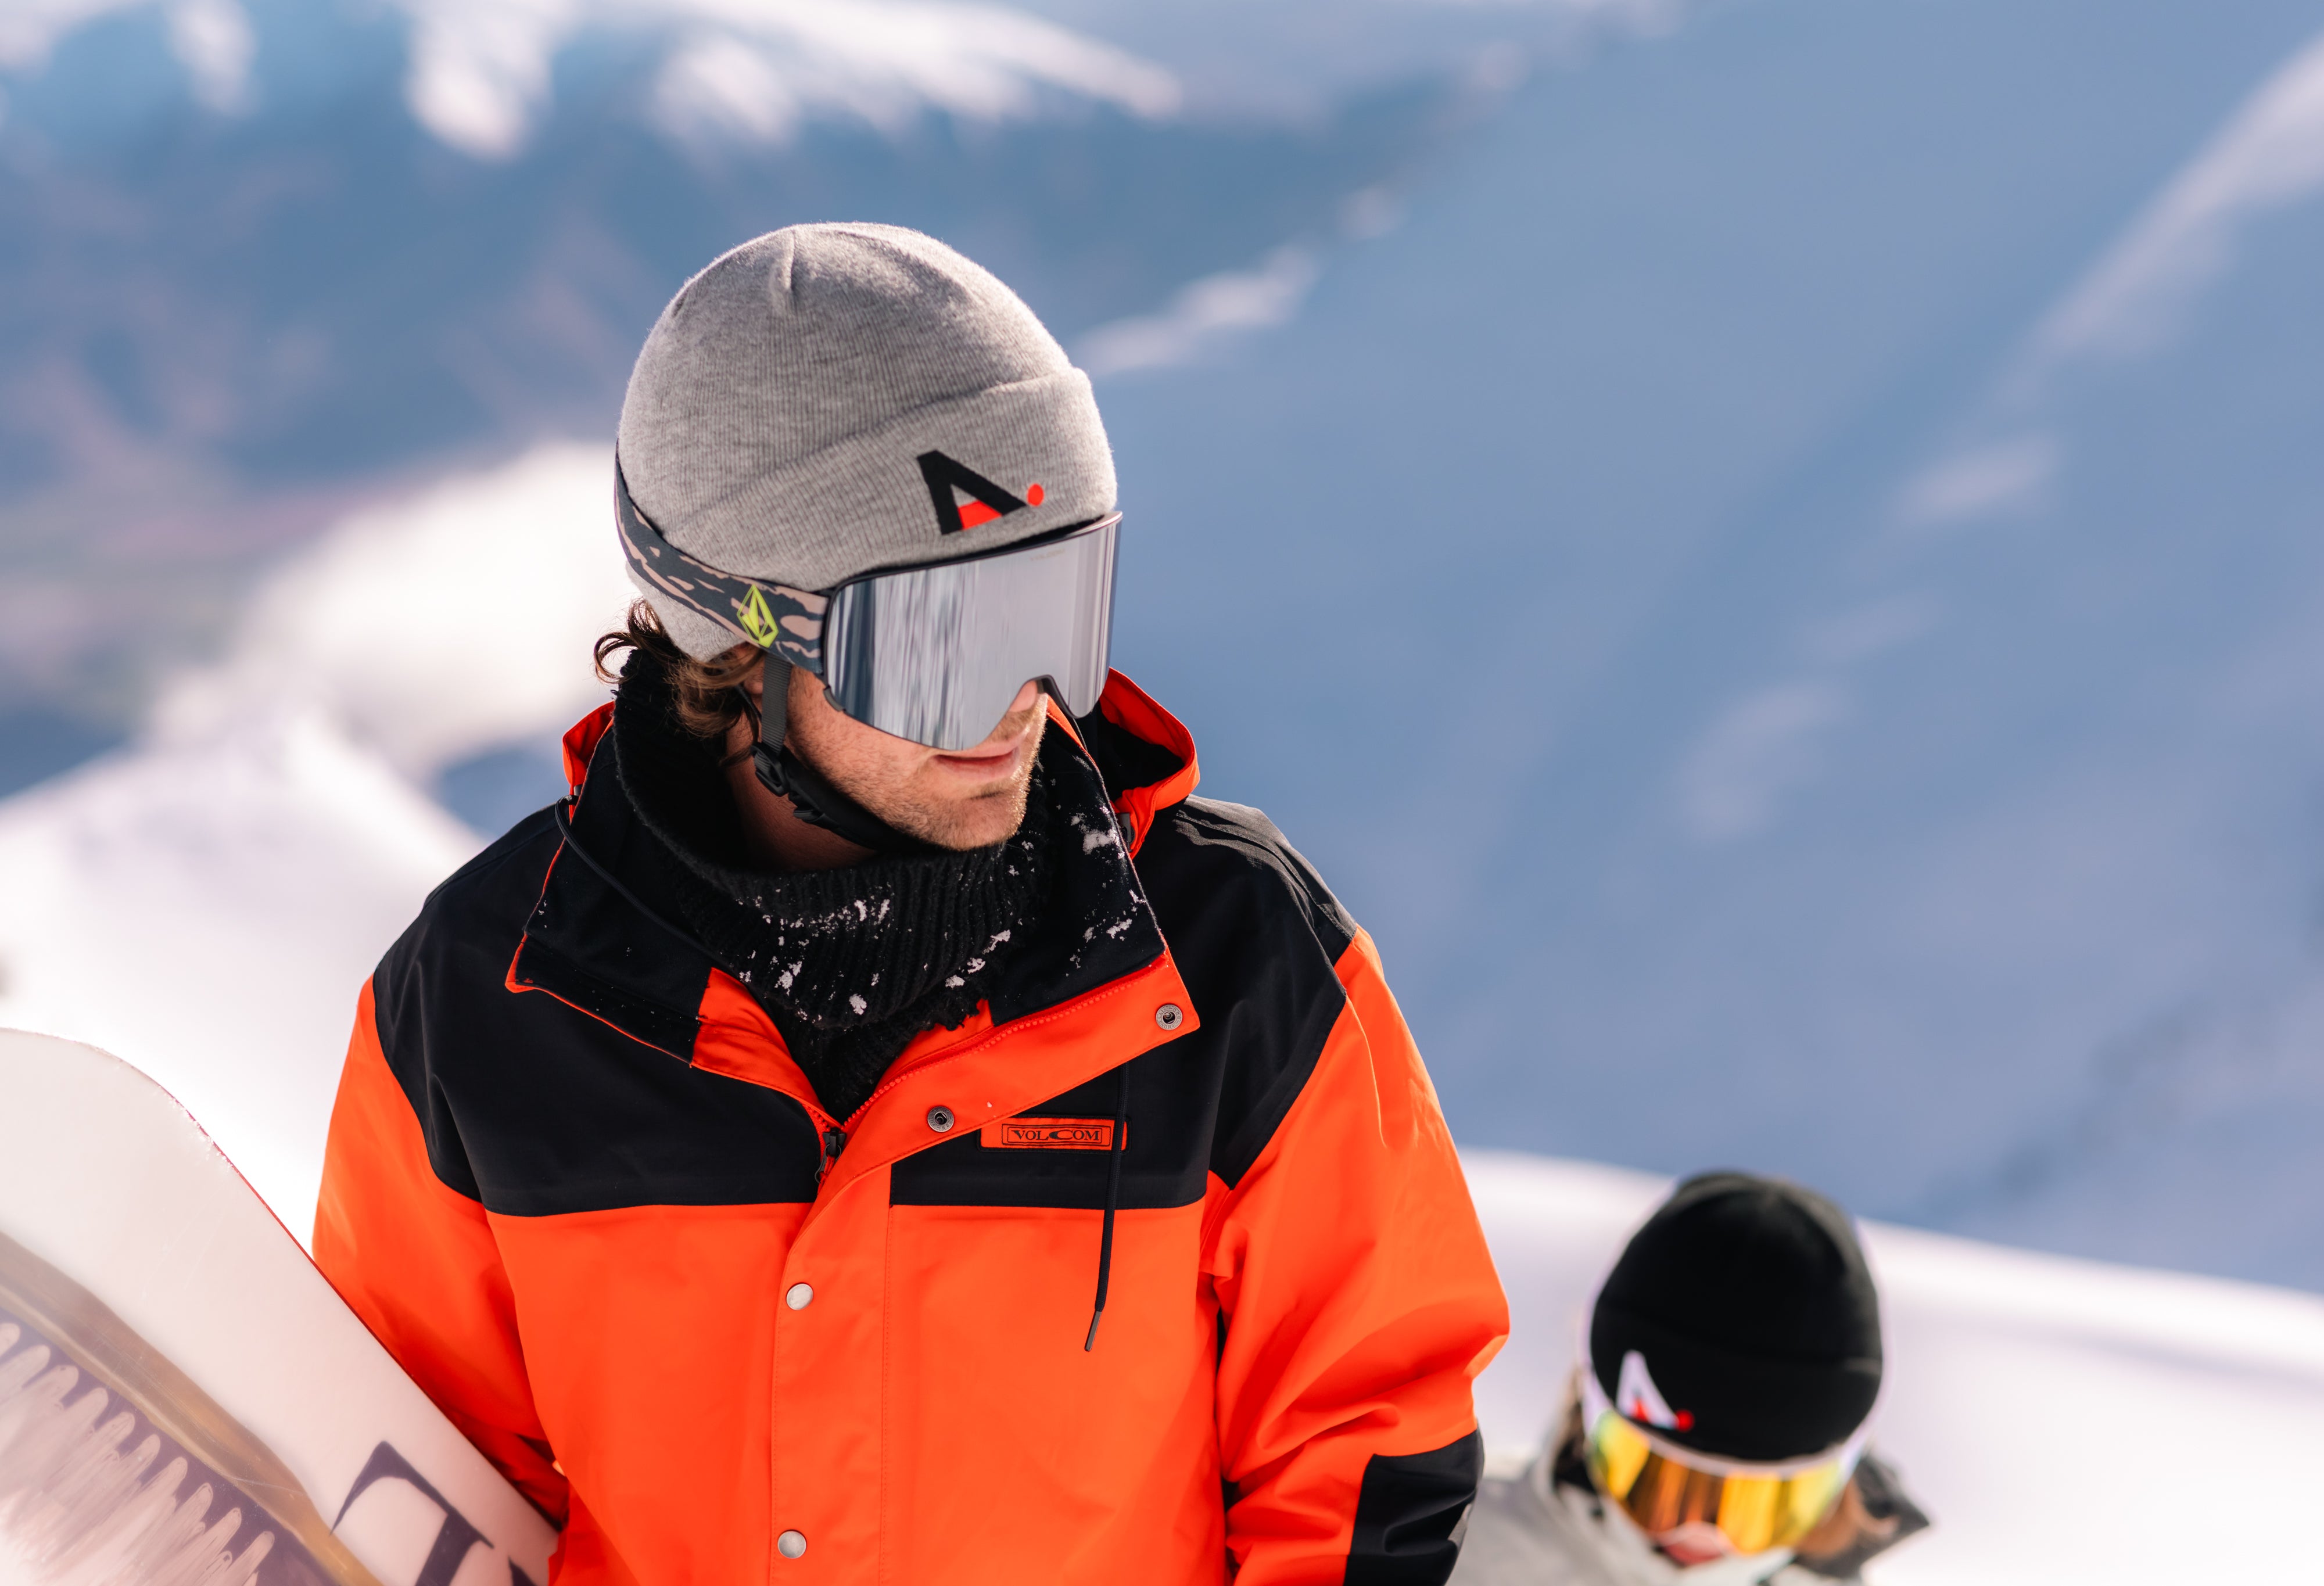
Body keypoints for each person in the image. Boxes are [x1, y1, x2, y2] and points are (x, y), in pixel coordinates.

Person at [312, 223, 1509, 1584]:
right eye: (946, 641)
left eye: (1056, 607)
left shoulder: (1230, 960)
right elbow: (407, 1501)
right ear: (739, 637)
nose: (1022, 704)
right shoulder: (490, 1008)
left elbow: (1365, 1445)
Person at [1453, 1174, 1929, 1586]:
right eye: (1659, 1488)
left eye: (1756, 1509)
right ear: (1591, 1417)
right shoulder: (1449, 1549)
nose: (1698, 1535)